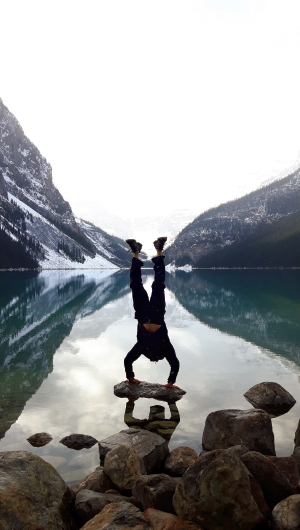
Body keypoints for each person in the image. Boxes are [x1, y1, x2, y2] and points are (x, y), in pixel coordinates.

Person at [124, 237, 180, 389]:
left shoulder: (143, 348)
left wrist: (131, 378)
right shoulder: (160, 348)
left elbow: (175, 364)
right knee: (157, 284)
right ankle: (158, 250)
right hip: (154, 314)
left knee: (141, 285)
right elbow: (127, 361)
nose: (154, 358)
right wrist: (170, 383)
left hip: (146, 314)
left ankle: (136, 252)